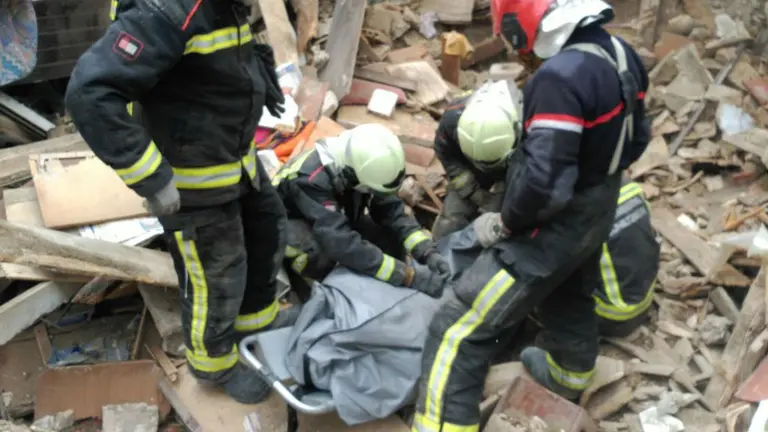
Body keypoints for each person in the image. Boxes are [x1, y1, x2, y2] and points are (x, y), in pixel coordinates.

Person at [410, 0, 651, 430]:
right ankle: (567, 376)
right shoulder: (618, 52)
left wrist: (505, 223)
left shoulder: (558, 77)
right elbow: (639, 136)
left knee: (457, 327)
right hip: (598, 204)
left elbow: (543, 184)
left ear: (525, 29)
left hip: (549, 227)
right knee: (570, 291)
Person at [65, 0, 294, 404]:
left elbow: (218, 61)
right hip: (194, 183)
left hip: (235, 161)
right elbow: (91, 91)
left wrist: (260, 72)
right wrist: (150, 177)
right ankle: (213, 364)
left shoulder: (226, 7)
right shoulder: (168, 13)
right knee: (217, 275)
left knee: (267, 232)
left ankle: (256, 323)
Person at [272, 123, 451, 299]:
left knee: (386, 237)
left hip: (331, 219)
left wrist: (426, 251)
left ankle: (383, 293)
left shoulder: (361, 163)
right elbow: (338, 241)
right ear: (352, 175)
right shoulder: (310, 179)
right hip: (287, 229)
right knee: (319, 253)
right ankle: (320, 295)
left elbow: (389, 209)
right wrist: (407, 277)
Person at [431, 80, 523, 240]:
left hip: (513, 169)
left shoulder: (532, 128)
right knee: (451, 220)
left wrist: (505, 197)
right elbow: (447, 154)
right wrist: (470, 190)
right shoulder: (452, 119)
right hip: (469, 169)